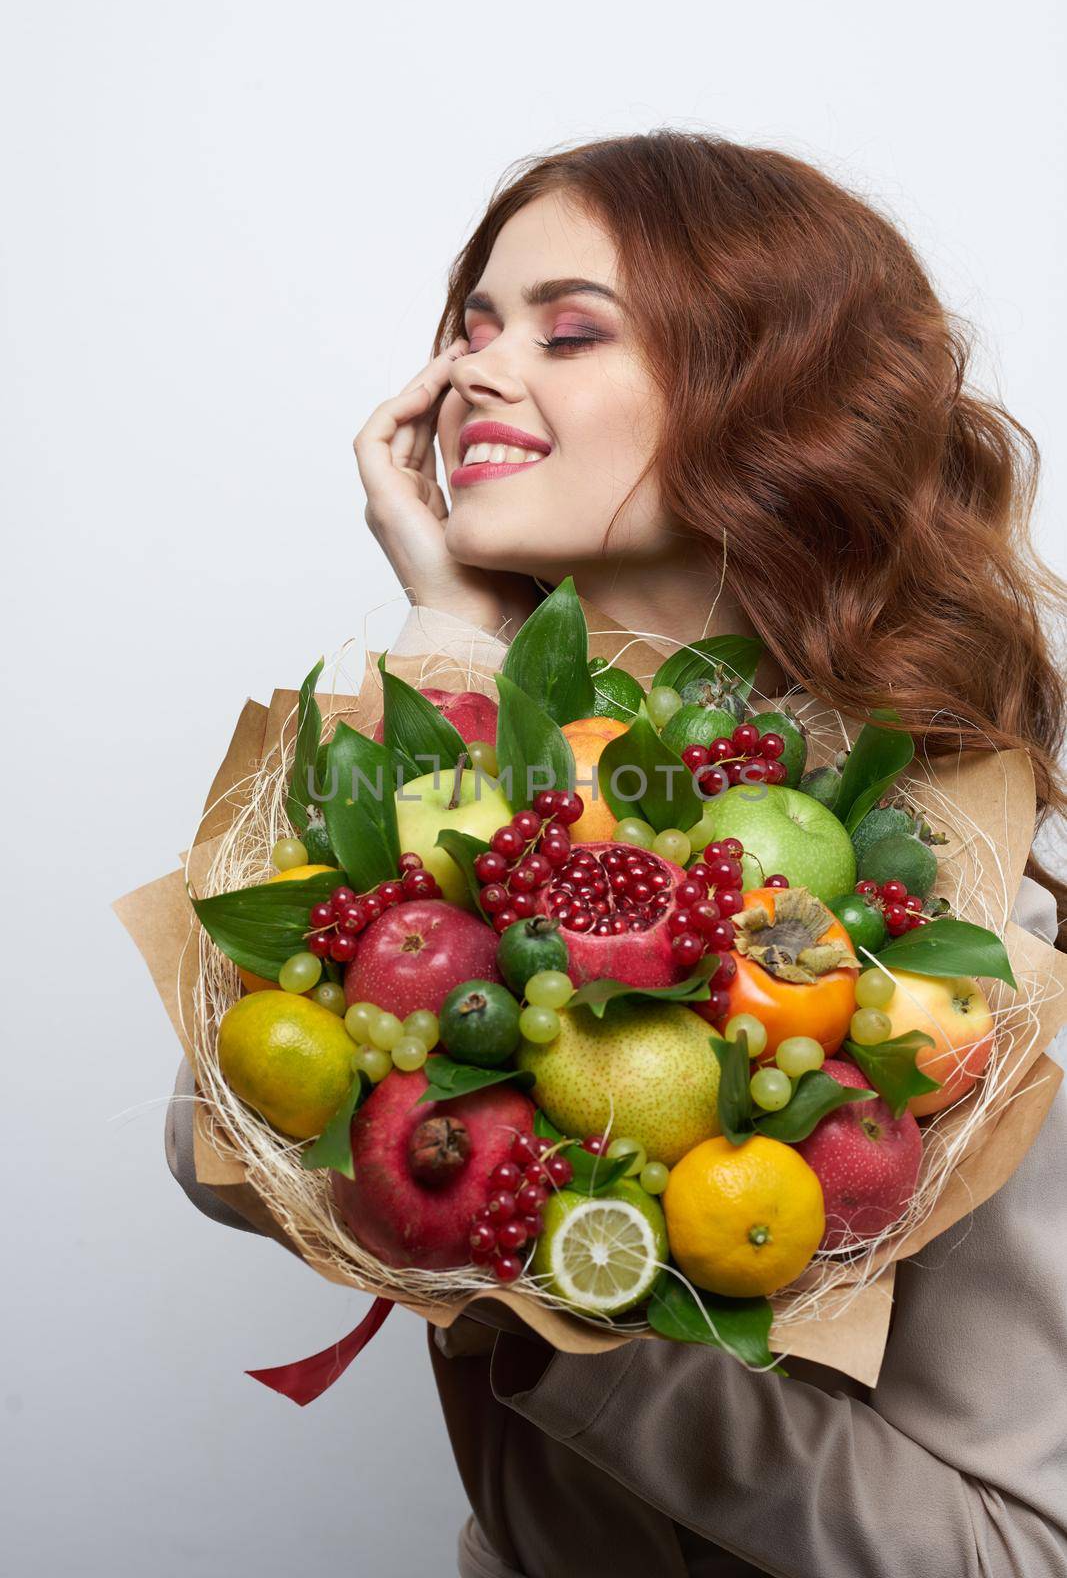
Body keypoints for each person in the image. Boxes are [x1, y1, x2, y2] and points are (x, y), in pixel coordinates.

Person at [167, 133, 1067, 1576]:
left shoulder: (954, 921)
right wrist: (449, 633)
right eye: (471, 326)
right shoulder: (493, 793)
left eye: (567, 330)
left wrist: (578, 1317)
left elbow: (1007, 1551)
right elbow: (224, 1142)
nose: (472, 372)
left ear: (777, 396)